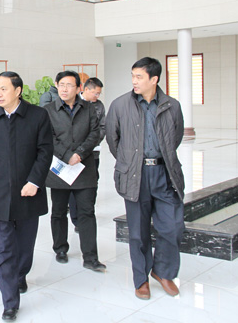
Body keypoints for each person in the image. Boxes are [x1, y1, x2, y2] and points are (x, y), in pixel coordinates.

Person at [105, 57, 185, 301]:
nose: (134, 81)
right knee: (138, 233)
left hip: (164, 173)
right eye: (133, 76)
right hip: (135, 174)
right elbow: (113, 139)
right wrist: (130, 162)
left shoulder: (172, 106)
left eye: (139, 76)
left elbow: (176, 137)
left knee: (172, 227)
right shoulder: (120, 105)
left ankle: (163, 272)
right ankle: (141, 279)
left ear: (154, 79)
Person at [0, 71, 53, 321]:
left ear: (18, 91)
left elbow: (45, 152)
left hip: (28, 191)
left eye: (3, 89)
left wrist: (34, 181)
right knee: (4, 247)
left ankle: (20, 274)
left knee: (25, 246)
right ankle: (9, 301)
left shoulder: (38, 116)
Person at [43, 71, 105, 272]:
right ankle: (60, 248)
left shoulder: (89, 109)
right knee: (59, 211)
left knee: (87, 212)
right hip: (60, 169)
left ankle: (90, 257)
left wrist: (79, 153)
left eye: (69, 85)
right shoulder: (48, 110)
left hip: (84, 167)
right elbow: (48, 137)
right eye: (61, 84)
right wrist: (67, 155)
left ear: (79, 88)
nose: (64, 89)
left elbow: (95, 133)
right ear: (56, 85)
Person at [70, 77, 105, 230]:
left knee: (91, 184)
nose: (97, 96)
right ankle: (76, 219)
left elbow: (102, 128)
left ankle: (87, 213)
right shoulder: (73, 102)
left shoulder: (99, 106)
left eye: (99, 94)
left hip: (92, 153)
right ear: (86, 89)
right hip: (74, 155)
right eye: (95, 93)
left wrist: (90, 144)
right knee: (74, 186)